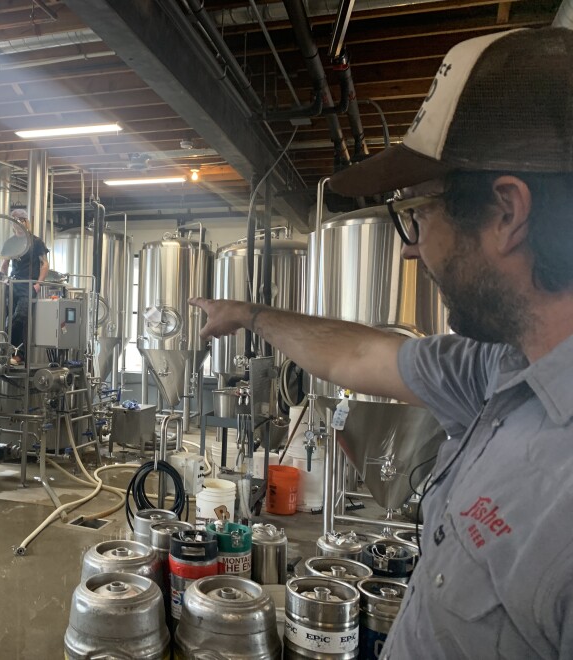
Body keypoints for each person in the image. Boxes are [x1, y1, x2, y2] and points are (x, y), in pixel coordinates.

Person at [191, 28, 573, 658]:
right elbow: (358, 354)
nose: (410, 245)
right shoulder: (497, 371)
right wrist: (250, 314)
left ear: (507, 213)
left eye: (420, 211)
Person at [0, 208, 49, 365]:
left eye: (21, 221)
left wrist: (38, 284)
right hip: (13, 284)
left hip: (28, 286)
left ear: (26, 222)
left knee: (20, 317)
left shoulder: (36, 242)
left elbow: (45, 265)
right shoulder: (11, 242)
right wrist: (4, 279)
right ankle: (8, 353)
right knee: (7, 318)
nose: (19, 225)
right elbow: (4, 263)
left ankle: (19, 354)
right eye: (15, 222)